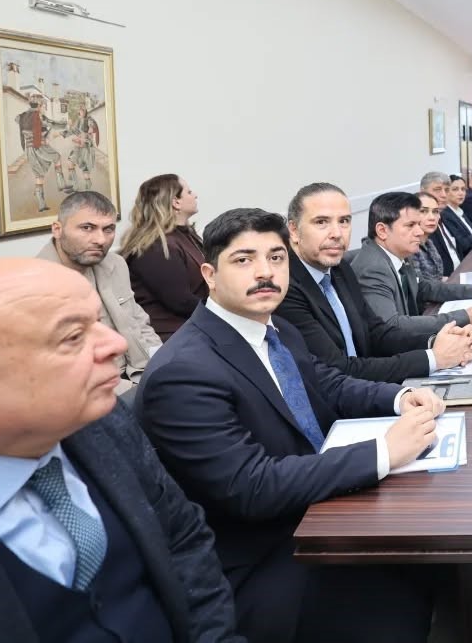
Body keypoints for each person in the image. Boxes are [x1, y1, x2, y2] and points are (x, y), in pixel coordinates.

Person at [0, 259, 242, 643]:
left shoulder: (102, 421)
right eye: (73, 337)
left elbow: (184, 542)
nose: (117, 344)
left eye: (97, 322)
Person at [136, 208, 443, 642]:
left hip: (312, 514)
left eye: (276, 258)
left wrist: (398, 397)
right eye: (244, 260)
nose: (265, 272)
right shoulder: (184, 372)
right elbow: (251, 486)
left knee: (432, 557)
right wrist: (383, 452)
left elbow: (326, 383)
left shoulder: (274, 327)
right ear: (210, 274)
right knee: (413, 587)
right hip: (263, 557)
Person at [276, 183, 472, 384]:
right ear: (293, 230)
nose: (337, 233)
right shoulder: (285, 288)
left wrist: (436, 341)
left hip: (368, 384)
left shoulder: (340, 269)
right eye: (321, 222)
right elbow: (341, 370)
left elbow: (377, 333)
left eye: (344, 221)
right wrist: (434, 358)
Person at [37, 191, 161, 396]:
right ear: (57, 229)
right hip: (94, 389)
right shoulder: (37, 284)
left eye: (108, 229)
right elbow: (61, 368)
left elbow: (139, 322)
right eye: (87, 228)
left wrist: (162, 364)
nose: (100, 240)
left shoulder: (115, 264)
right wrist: (135, 391)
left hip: (140, 374)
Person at [351, 191, 472, 335]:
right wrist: (464, 317)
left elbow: (423, 287)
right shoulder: (373, 268)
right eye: (410, 225)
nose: (419, 232)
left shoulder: (398, 252)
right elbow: (392, 326)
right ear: (382, 231)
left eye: (418, 224)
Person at [121, 173, 209, 339]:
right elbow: (180, 301)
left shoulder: (186, 235)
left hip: (194, 327)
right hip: (172, 336)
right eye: (189, 192)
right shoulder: (156, 246)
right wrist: (226, 313)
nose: (195, 195)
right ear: (176, 202)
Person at [17, 92, 68, 212]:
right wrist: (66, 124)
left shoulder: (21, 116)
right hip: (39, 147)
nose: (44, 107)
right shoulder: (39, 117)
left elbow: (22, 124)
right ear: (39, 105)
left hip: (29, 149)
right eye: (43, 105)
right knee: (56, 157)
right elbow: (53, 124)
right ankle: (61, 185)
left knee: (39, 175)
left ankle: (41, 204)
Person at [429, 172, 472, 256]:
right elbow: (462, 243)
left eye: (463, 189)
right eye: (455, 189)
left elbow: (471, 229)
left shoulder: (458, 210)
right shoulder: (445, 214)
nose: (461, 193)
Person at [411, 190, 449, 280]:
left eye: (435, 211)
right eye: (423, 211)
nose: (432, 217)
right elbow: (421, 285)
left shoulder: (429, 243)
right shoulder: (409, 248)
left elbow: (438, 278)